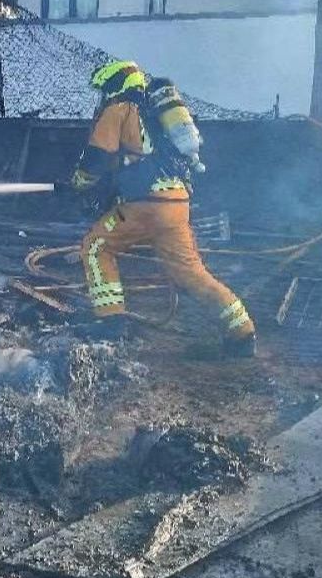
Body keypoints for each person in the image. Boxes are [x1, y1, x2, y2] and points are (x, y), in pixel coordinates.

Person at [72, 60, 257, 357]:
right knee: (191, 272)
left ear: (116, 85)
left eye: (105, 88)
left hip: (146, 205)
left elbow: (96, 157)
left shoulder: (120, 109)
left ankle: (111, 323)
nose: (103, 95)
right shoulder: (155, 117)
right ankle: (242, 333)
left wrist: (79, 182)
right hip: (177, 204)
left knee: (96, 247)